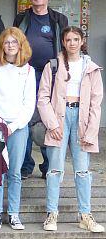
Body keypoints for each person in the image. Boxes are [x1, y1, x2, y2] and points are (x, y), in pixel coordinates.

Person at [38, 26, 104, 233]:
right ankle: (51, 214)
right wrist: (52, 123)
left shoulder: (91, 67)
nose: (72, 43)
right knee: (55, 169)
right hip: (59, 117)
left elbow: (96, 102)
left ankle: (85, 215)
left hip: (82, 119)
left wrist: (91, 130)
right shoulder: (54, 65)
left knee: (82, 170)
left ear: (82, 41)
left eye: (76, 39)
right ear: (63, 42)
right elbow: (43, 98)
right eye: (68, 40)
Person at [0, 27, 35, 231]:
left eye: (14, 42)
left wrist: (13, 126)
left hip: (17, 128)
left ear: (21, 45)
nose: (10, 45)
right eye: (7, 42)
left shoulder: (28, 71)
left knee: (15, 172)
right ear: (1, 45)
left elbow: (29, 104)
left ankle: (13, 213)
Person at [14, 0, 68, 180]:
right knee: (25, 118)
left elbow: (65, 47)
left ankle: (48, 166)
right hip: (25, 74)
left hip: (51, 75)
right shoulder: (21, 18)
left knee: (48, 117)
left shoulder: (58, 19)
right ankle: (25, 166)